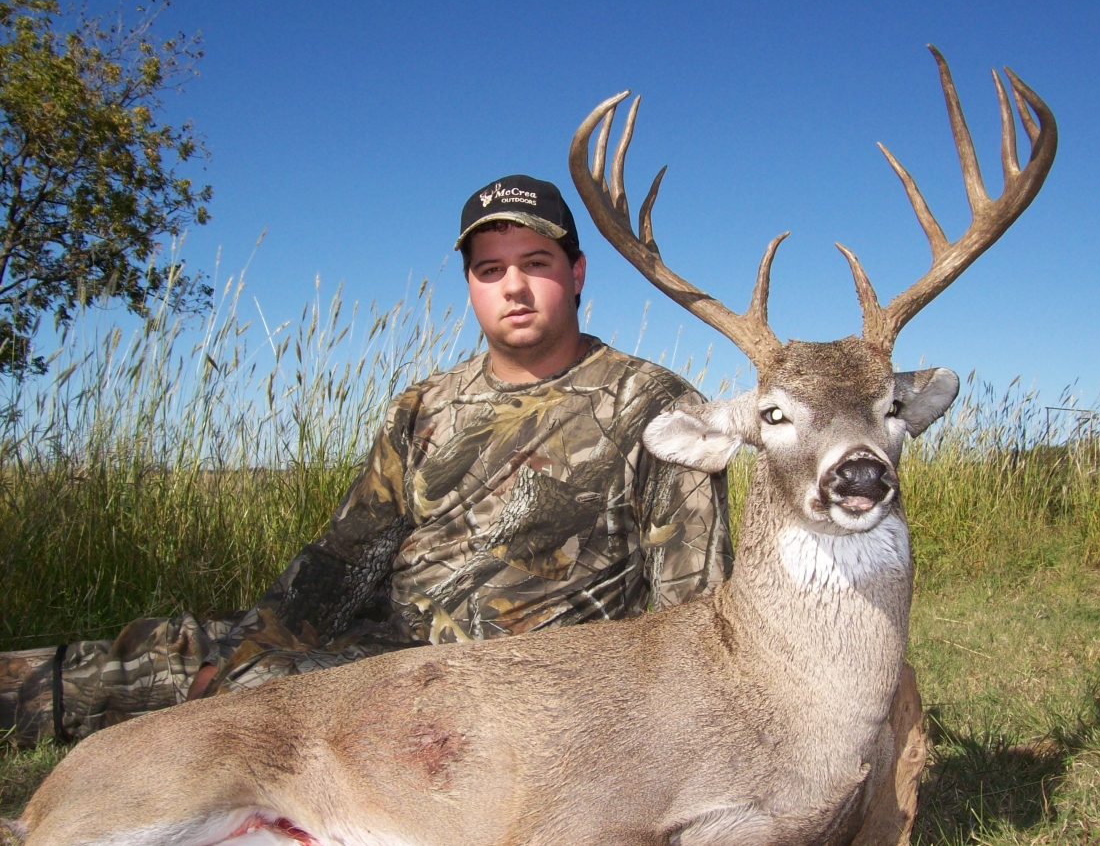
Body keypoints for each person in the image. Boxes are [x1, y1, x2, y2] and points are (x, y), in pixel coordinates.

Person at [0, 175, 733, 745]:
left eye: (535, 262)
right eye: (490, 269)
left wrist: (258, 673)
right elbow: (343, 557)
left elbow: (693, 617)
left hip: (488, 686)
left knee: (254, 691)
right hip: (380, 635)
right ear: (471, 284)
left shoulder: (655, 406)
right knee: (172, 647)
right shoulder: (424, 404)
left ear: (576, 272)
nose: (513, 286)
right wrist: (257, 638)